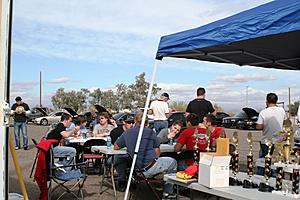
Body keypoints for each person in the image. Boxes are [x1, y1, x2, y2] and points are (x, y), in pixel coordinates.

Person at [114, 112, 177, 198]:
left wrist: (129, 144)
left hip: (137, 169)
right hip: (150, 166)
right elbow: (157, 152)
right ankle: (168, 192)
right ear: (147, 122)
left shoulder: (127, 132)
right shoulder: (150, 132)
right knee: (173, 162)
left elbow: (116, 146)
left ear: (135, 121)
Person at [108, 115, 134, 192]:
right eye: (129, 122)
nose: (131, 124)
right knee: (121, 159)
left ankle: (133, 178)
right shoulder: (116, 132)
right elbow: (113, 146)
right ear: (123, 122)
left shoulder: (135, 132)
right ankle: (122, 181)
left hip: (130, 155)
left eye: (133, 122)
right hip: (114, 156)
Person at [256, 93, 286, 158]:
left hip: (266, 141)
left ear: (267, 101)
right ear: (276, 101)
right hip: (279, 141)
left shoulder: (263, 112)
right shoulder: (282, 110)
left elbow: (259, 126)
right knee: (277, 160)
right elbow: (286, 123)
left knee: (263, 161)